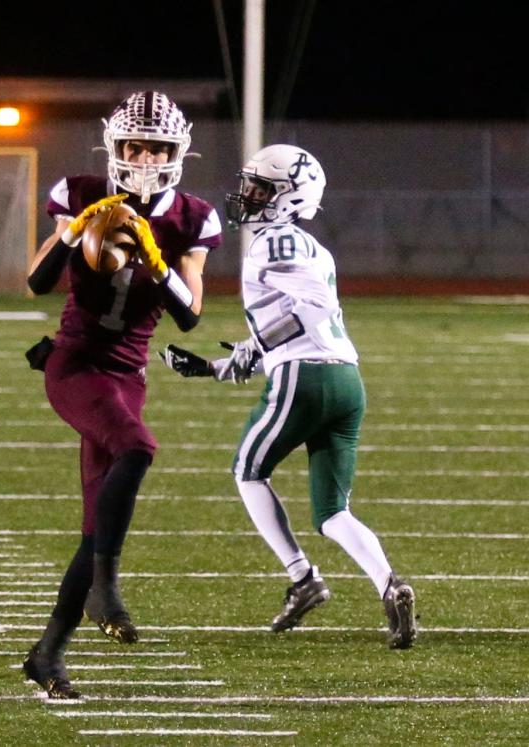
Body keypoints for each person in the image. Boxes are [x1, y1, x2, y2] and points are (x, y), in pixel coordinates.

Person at [161, 144, 417, 649]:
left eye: (260, 189)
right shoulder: (311, 247)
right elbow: (293, 323)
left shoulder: (274, 242)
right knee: (333, 513)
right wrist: (216, 367)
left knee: (246, 471)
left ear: (288, 199)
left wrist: (256, 348)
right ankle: (391, 585)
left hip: (306, 377)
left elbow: (311, 307)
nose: (247, 195)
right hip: (346, 381)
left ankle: (303, 579)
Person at [23, 91, 224, 698]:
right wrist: (75, 231)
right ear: (114, 147)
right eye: (133, 144)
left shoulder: (191, 216)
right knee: (137, 447)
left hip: (128, 376)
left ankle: (47, 655)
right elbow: (36, 281)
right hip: (76, 364)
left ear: (176, 152)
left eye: (157, 146)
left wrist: (158, 264)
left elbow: (191, 317)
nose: (143, 155)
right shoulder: (83, 194)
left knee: (94, 522)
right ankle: (107, 585)